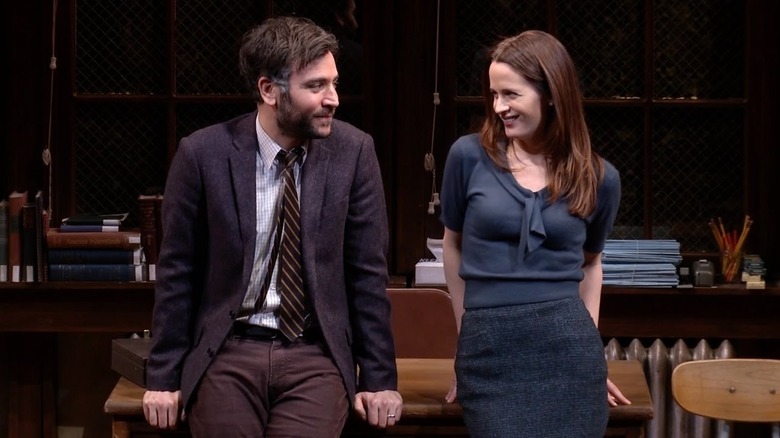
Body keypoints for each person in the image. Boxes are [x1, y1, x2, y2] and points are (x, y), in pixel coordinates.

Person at [142, 16, 402, 437]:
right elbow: (177, 273)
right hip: (228, 350)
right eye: (316, 86)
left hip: (314, 354)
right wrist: (163, 378)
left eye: (333, 84)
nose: (333, 98)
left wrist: (379, 380)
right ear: (269, 90)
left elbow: (368, 273)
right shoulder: (202, 154)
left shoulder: (353, 152)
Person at [439, 30, 630, 437]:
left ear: (551, 94)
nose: (498, 107)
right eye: (493, 94)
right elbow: (452, 246)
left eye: (510, 94)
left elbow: (591, 264)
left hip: (569, 350)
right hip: (488, 348)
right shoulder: (467, 156)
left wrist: (591, 353)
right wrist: (466, 338)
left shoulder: (599, 177)